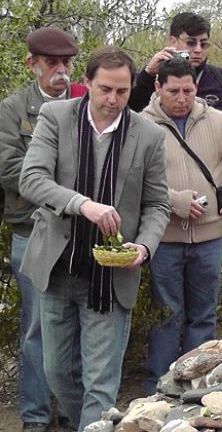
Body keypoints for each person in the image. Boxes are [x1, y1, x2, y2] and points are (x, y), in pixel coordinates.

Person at [18, 46, 170, 431]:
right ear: (86, 83)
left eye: (121, 91)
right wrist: (82, 204)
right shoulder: (55, 117)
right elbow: (31, 179)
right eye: (105, 89)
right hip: (58, 267)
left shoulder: (149, 135)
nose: (113, 99)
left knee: (100, 387)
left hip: (111, 277)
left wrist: (145, 245)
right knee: (56, 372)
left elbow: (157, 205)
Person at [139, 57, 222, 394]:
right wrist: (175, 201)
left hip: (209, 236)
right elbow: (132, 178)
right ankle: (158, 389)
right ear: (158, 88)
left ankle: (196, 385)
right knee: (166, 315)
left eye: (188, 90)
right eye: (174, 91)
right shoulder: (141, 126)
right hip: (163, 238)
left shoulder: (216, 120)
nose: (182, 98)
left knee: (204, 315)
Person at [0, 27, 85, 432]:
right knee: (36, 328)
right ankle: (35, 419)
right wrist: (66, 192)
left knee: (81, 324)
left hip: (83, 233)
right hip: (31, 230)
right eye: (52, 63)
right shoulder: (12, 109)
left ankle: (74, 414)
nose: (62, 71)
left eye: (67, 63)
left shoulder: (88, 102)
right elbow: (9, 169)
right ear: (31, 64)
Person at [128, 12, 222, 130]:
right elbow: (129, 117)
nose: (198, 50)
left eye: (204, 44)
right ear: (173, 41)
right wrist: (147, 74)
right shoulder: (153, 79)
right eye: (191, 43)